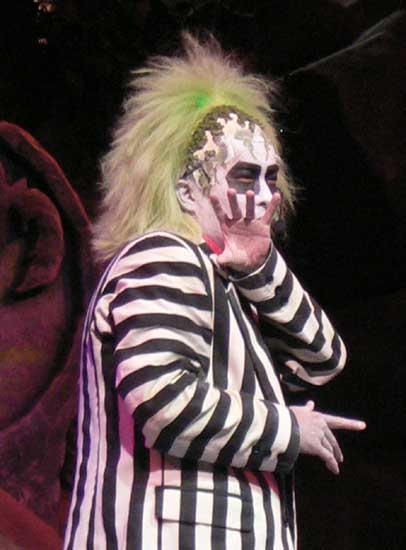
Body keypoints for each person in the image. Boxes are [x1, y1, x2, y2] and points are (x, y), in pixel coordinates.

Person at [64, 34, 366, 550]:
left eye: (271, 178)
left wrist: (261, 268)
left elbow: (324, 358)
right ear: (187, 191)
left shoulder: (226, 280)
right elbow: (161, 398)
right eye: (245, 177)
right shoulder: (165, 256)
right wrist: (287, 431)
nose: (265, 195)